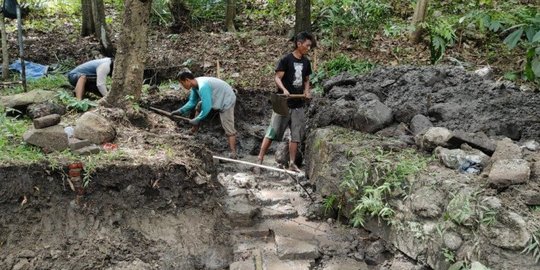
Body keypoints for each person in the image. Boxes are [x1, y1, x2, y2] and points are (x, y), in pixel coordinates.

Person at [254, 31, 315, 173]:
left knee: (295, 136)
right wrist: (283, 90)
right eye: (307, 45)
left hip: (298, 104)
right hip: (283, 104)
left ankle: (292, 163)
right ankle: (259, 159)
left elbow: (306, 80)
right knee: (272, 132)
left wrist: (307, 91)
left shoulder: (306, 62)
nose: (309, 48)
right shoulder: (286, 60)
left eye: (310, 46)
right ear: (299, 44)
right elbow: (277, 77)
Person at [172, 71, 238, 159]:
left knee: (228, 125)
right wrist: (180, 111)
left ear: (187, 80)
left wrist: (197, 119)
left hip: (227, 99)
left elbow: (207, 107)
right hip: (217, 96)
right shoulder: (195, 86)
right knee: (199, 105)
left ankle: (233, 153)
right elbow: (192, 102)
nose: (182, 86)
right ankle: (193, 130)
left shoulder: (203, 86)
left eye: (182, 83)